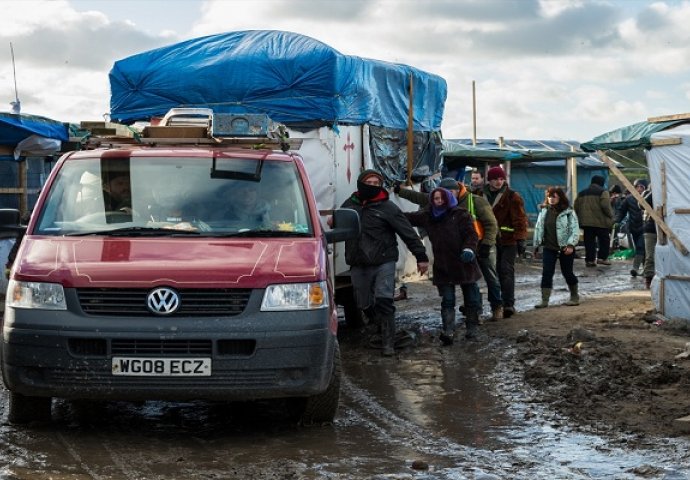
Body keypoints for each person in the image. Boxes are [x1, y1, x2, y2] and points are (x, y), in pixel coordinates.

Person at [339, 169, 429, 356]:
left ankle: (388, 343)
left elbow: (407, 232)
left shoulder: (388, 207)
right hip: (358, 261)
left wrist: (421, 256)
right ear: (360, 184)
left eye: (376, 184)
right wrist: (334, 223)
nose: (372, 187)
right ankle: (380, 325)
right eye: (369, 183)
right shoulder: (349, 205)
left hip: (384, 260)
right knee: (363, 302)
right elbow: (339, 226)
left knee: (384, 299)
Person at [396, 177, 503, 320]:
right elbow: (419, 197)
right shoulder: (440, 200)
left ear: (458, 190)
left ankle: (497, 307)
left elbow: (491, 224)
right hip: (459, 249)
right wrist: (400, 192)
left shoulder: (475, 200)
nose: (448, 195)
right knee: (471, 281)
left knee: (490, 277)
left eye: (451, 192)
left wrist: (487, 244)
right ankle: (475, 311)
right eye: (445, 192)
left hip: (482, 244)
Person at [405, 187, 483, 343]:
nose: (439, 201)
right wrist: (387, 211)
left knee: (471, 298)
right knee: (447, 300)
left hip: (464, 263)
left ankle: (472, 329)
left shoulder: (460, 215)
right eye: (435, 199)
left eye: (441, 198)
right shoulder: (428, 216)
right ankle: (448, 331)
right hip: (443, 265)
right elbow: (407, 218)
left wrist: (469, 249)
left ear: (448, 199)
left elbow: (471, 234)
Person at [478, 166, 528, 319]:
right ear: (489, 180)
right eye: (495, 179)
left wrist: (521, 239)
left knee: (505, 270)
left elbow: (520, 219)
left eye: (501, 179)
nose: (498, 182)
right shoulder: (479, 195)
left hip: (508, 239)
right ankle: (495, 303)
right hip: (487, 240)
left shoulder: (512, 196)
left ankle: (508, 304)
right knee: (491, 273)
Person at [533, 187, 580, 308]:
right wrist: (536, 246)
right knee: (547, 272)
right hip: (549, 247)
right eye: (549, 196)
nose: (551, 199)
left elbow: (574, 230)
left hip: (565, 248)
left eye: (554, 197)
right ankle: (544, 300)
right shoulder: (544, 211)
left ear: (560, 198)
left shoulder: (568, 212)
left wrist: (570, 245)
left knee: (567, 272)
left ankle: (574, 296)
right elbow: (539, 229)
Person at [574, 174, 614, 267]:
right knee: (604, 240)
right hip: (601, 222)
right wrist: (611, 215)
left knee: (589, 242)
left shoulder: (582, 193)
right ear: (601, 183)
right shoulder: (603, 192)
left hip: (586, 223)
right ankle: (602, 258)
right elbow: (605, 206)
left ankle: (590, 260)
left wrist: (581, 217)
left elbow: (576, 207)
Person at [615, 179, 646, 277]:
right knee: (641, 249)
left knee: (641, 247)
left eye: (642, 187)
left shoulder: (648, 198)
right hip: (634, 228)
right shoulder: (629, 199)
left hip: (645, 227)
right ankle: (646, 270)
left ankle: (635, 268)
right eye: (637, 186)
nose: (639, 189)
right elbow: (621, 211)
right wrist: (617, 221)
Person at [642, 188, 656, 289]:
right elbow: (642, 204)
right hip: (651, 229)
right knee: (650, 255)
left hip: (668, 230)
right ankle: (649, 279)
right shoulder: (654, 192)